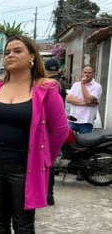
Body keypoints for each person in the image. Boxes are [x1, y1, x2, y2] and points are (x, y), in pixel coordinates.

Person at [0, 35, 68, 234]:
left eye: (17, 50)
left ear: (31, 57)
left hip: (24, 169)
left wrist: (43, 158)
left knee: (24, 225)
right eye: (7, 51)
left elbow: (60, 131)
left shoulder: (45, 90)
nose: (10, 55)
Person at [44, 58, 64, 205]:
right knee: (49, 160)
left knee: (47, 160)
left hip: (49, 125)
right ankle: (49, 193)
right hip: (57, 122)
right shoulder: (61, 83)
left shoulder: (50, 85)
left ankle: (47, 192)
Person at [67, 64, 102, 134]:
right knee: (67, 143)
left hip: (86, 122)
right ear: (82, 72)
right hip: (72, 120)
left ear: (93, 74)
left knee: (85, 144)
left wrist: (83, 84)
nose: (87, 74)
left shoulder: (97, 86)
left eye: (89, 73)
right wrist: (86, 103)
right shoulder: (76, 84)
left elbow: (89, 100)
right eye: (85, 72)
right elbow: (68, 99)